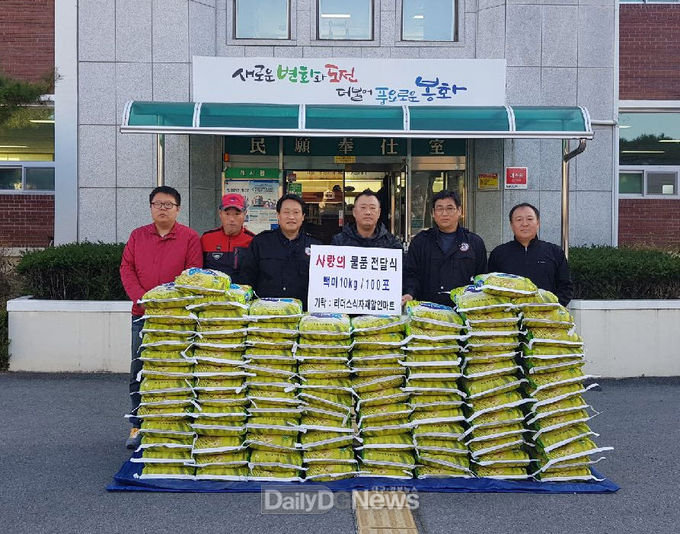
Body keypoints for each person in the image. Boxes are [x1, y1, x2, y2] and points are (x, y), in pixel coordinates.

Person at [119, 186, 202, 449]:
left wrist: (167, 305)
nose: (163, 209)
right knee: (140, 371)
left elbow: (192, 275)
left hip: (177, 318)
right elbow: (127, 269)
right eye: (158, 204)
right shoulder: (138, 235)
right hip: (143, 315)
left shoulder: (189, 237)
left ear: (178, 209)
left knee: (177, 371)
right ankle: (138, 425)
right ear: (151, 207)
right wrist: (143, 299)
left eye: (168, 205)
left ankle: (176, 426)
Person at [403, 190, 487, 306]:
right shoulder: (420, 241)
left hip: (462, 309)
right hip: (428, 310)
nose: (444, 213)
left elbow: (482, 278)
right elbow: (411, 274)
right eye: (439, 209)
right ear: (433, 213)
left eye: (449, 208)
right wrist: (409, 293)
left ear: (459, 211)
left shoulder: (474, 242)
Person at [235, 194, 321, 305]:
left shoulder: (315, 246)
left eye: (296, 212)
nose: (291, 217)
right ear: (278, 216)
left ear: (303, 217)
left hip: (302, 312)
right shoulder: (261, 242)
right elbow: (246, 279)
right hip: (265, 311)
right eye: (286, 212)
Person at [488, 202, 573, 306]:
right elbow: (490, 288)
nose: (525, 224)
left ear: (538, 223)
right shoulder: (499, 253)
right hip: (509, 314)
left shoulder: (555, 252)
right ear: (511, 225)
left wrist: (553, 307)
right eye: (519, 220)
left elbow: (566, 287)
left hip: (546, 313)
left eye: (529, 219)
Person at [201, 193, 255, 276]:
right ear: (220, 214)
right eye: (227, 214)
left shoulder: (253, 241)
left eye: (237, 214)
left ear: (245, 214)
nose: (232, 219)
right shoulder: (206, 238)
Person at [330, 189, 402, 249]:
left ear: (379, 213)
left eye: (372, 208)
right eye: (363, 207)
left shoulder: (391, 243)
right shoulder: (339, 242)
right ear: (354, 212)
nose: (368, 212)